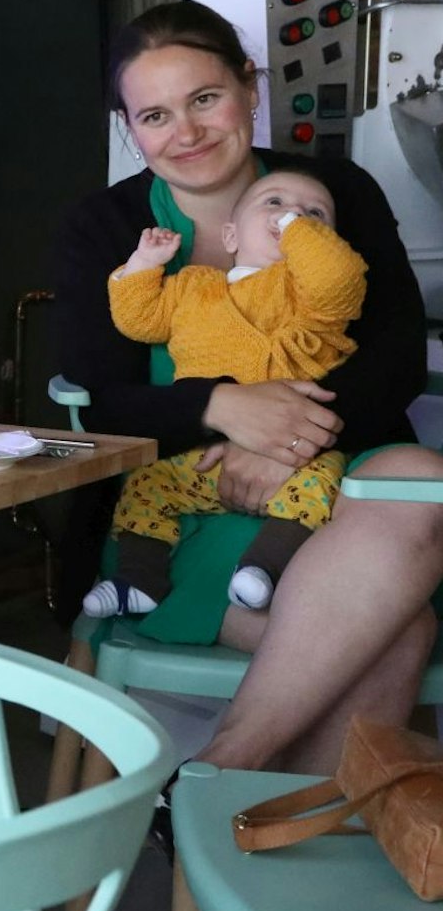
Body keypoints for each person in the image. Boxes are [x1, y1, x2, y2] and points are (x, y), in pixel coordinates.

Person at [54, 0, 443, 783]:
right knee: (400, 632)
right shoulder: (105, 226)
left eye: (205, 99)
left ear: (248, 87)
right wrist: (220, 409)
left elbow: (397, 352)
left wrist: (293, 440)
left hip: (336, 491)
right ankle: (245, 824)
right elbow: (97, 396)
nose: (187, 132)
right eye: (155, 115)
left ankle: (216, 785)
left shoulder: (330, 192)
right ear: (130, 128)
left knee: (421, 488)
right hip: (174, 516)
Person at [83, 166, 366, 618]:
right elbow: (139, 320)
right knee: (146, 485)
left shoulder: (314, 299)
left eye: (316, 214)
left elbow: (339, 278)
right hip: (205, 454)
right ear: (231, 237)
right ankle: (138, 579)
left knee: (326, 478)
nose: (293, 213)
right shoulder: (195, 287)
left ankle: (263, 569)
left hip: (292, 458)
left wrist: (296, 230)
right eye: (273, 203)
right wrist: (141, 267)